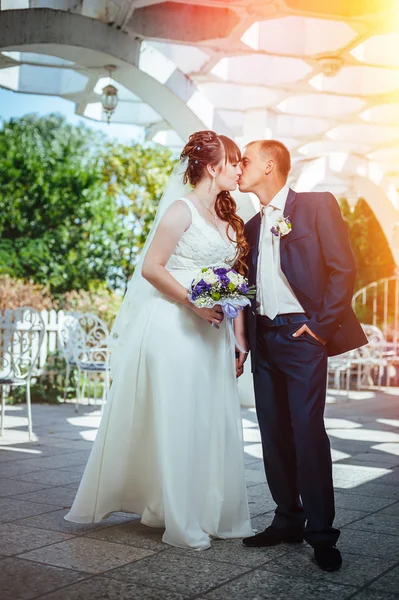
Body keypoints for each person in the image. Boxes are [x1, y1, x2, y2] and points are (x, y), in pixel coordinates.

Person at [65, 130, 253, 550]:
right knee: (177, 415)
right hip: (174, 326)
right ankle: (178, 516)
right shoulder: (180, 210)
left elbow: (235, 286)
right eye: (235, 160)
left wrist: (239, 339)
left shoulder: (228, 217)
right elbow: (152, 267)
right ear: (212, 166)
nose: (240, 168)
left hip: (213, 333)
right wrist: (193, 303)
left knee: (207, 418)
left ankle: (203, 508)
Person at [238, 139, 367, 571]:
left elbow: (343, 268)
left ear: (270, 164)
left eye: (246, 161)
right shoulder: (252, 226)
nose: (239, 168)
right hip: (264, 338)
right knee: (272, 432)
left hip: (302, 336)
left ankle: (322, 535)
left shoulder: (315, 206)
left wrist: (321, 328)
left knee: (308, 433)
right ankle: (286, 519)